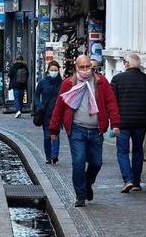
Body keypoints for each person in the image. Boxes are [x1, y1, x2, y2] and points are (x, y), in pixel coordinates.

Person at [50, 55, 120, 207]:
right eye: (81, 67)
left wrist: (115, 123)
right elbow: (59, 106)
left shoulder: (101, 82)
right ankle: (80, 195)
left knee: (96, 163)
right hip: (77, 129)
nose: (85, 70)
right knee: (78, 162)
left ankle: (88, 183)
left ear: (91, 67)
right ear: (76, 68)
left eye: (87, 67)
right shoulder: (68, 83)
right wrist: (54, 129)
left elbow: (111, 103)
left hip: (96, 130)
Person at [111, 53, 146, 193]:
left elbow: (112, 103)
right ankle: (137, 182)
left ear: (127, 64)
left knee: (122, 152)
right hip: (141, 123)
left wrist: (113, 122)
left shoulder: (117, 79)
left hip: (122, 123)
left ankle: (128, 180)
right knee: (138, 151)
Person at [35, 61, 63, 164]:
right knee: (47, 136)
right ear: (48, 71)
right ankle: (48, 156)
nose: (54, 72)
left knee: (55, 133)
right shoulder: (43, 82)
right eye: (52, 70)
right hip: (45, 112)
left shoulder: (62, 83)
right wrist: (39, 105)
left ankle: (54, 155)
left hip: (57, 113)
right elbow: (36, 95)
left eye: (56, 70)